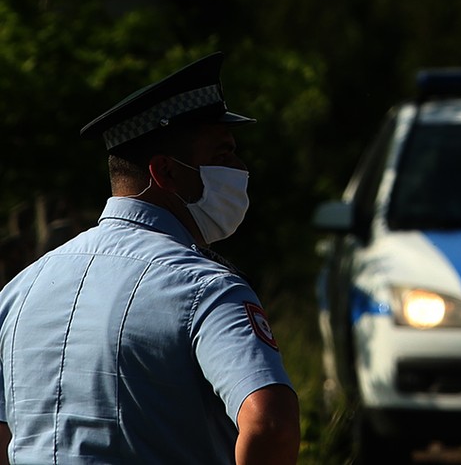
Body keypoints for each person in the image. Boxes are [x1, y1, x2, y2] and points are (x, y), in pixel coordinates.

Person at [0, 52, 300, 464]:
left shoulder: (20, 290)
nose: (241, 167)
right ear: (167, 172)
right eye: (224, 154)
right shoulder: (205, 289)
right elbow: (270, 424)